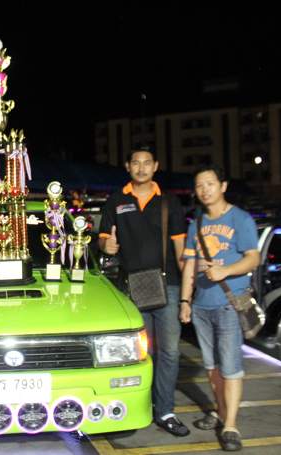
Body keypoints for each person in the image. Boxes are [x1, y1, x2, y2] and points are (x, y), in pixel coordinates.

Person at [98, 145, 190, 437]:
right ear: (128, 166)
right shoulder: (116, 200)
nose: (141, 167)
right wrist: (106, 245)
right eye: (135, 162)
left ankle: (165, 411)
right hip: (131, 287)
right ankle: (139, 407)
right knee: (139, 353)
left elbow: (180, 248)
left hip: (168, 285)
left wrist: (187, 294)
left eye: (146, 162)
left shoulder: (169, 202)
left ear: (155, 166)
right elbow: (103, 239)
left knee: (170, 352)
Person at [179, 165, 259, 452]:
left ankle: (231, 426)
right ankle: (221, 412)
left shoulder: (241, 219)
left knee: (230, 367)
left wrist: (225, 270)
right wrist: (185, 301)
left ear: (223, 186)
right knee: (212, 367)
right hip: (201, 306)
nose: (205, 190)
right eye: (199, 185)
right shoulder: (196, 223)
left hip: (228, 304)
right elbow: (189, 265)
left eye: (210, 184)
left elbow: (253, 258)